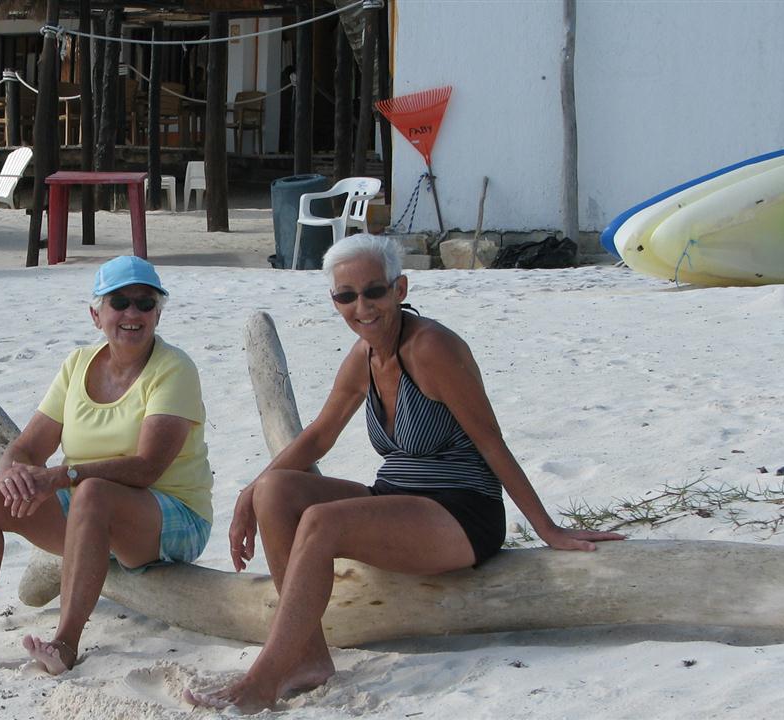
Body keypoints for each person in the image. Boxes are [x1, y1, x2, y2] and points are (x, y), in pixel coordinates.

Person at [186, 234, 624, 713]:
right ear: (334, 300)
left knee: (321, 521)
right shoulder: (364, 356)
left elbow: (491, 441)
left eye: (373, 291)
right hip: (396, 499)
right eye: (346, 296)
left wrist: (548, 529)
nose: (362, 307)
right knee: (274, 491)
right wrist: (248, 495)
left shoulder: (431, 347)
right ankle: (307, 658)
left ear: (400, 289)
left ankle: (262, 680)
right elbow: (320, 435)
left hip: (462, 512)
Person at [0, 256, 213, 674]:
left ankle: (65, 642)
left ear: (158, 313)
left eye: (145, 303)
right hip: (90, 512)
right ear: (96, 315)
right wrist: (13, 473)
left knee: (92, 493)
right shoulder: (78, 363)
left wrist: (63, 476)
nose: (133, 313)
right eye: (120, 302)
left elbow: (147, 468)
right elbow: (27, 447)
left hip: (173, 516)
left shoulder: (174, 368)